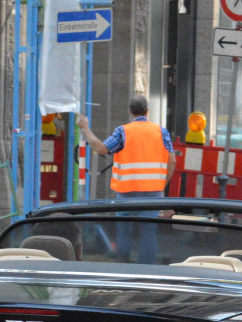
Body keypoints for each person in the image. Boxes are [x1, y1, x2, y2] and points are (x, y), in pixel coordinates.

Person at [76, 96, 177, 263]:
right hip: (153, 192)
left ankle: (123, 264)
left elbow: (101, 148)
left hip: (126, 191)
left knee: (124, 229)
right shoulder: (161, 132)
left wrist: (85, 128)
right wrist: (162, 184)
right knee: (148, 232)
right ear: (147, 111)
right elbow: (172, 160)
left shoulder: (123, 131)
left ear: (130, 112)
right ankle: (146, 270)